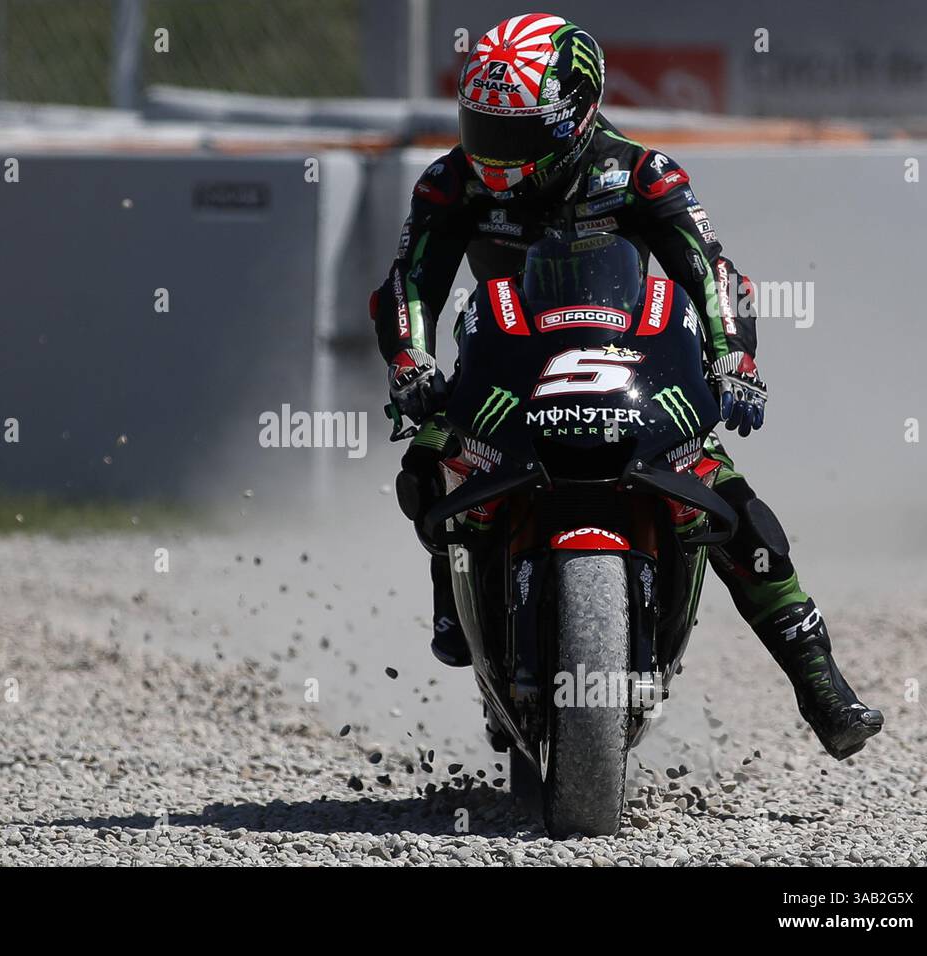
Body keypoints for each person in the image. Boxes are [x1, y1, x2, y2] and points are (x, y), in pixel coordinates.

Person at [369, 12, 882, 759]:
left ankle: (820, 682)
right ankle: (458, 600)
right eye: (482, 130)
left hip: (632, 366)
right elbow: (407, 284)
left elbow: (713, 274)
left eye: (514, 137)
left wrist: (736, 359)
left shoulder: (642, 174)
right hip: (506, 368)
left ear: (578, 113)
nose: (494, 158)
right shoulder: (450, 184)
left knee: (735, 507)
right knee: (426, 467)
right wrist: (411, 363)